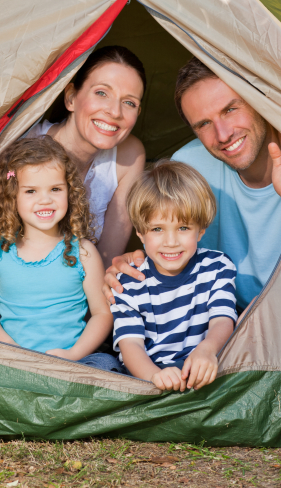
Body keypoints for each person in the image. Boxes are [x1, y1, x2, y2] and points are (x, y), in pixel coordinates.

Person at [105, 57, 281, 312]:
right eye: (204, 124)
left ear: (259, 101)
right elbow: (174, 256)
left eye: (230, 110)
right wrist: (138, 265)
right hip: (225, 319)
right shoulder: (189, 168)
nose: (223, 134)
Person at [0, 46, 147, 264]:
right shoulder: (22, 146)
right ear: (71, 98)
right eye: (101, 93)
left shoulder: (130, 155)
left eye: (129, 102)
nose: (115, 112)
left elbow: (108, 258)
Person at [0, 137, 119, 371]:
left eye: (55, 189)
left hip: (74, 362)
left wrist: (73, 354)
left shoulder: (82, 251)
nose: (45, 199)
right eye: (31, 191)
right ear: (12, 195)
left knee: (107, 364)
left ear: (69, 191)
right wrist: (8, 348)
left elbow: (102, 313)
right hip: (12, 361)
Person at [112, 160, 238, 391]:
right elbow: (131, 345)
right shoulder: (129, 283)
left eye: (183, 228)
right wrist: (155, 375)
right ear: (140, 233)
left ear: (201, 231)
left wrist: (207, 350)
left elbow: (223, 319)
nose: (171, 242)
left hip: (203, 364)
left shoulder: (217, 266)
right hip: (150, 373)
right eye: (157, 229)